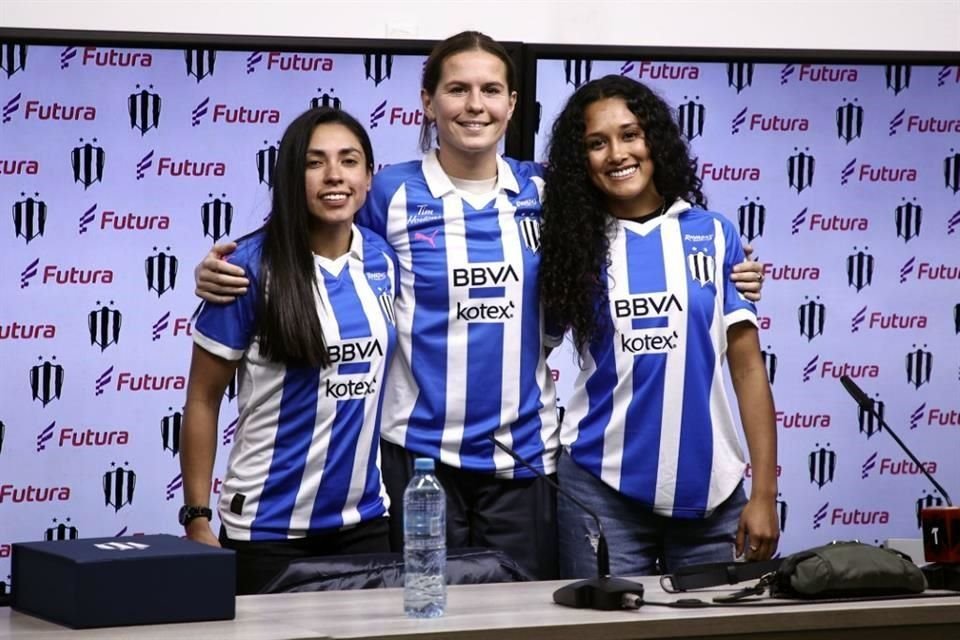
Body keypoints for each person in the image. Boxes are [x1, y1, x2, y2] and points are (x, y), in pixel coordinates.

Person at [192, 32, 767, 581]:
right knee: (423, 617)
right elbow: (313, 226)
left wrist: (732, 266)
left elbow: (640, 216)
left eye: (491, 90)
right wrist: (225, 264)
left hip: (522, 463)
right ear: (427, 101)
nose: (475, 105)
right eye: (457, 89)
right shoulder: (389, 192)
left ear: (512, 103)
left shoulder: (550, 193)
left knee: (520, 622)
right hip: (416, 462)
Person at [539, 75, 779, 579]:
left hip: (711, 491)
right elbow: (528, 349)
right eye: (596, 143)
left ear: (656, 142)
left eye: (630, 134)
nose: (616, 153)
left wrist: (763, 493)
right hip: (599, 486)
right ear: (580, 160)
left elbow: (748, 371)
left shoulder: (713, 234)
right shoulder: (572, 246)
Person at [179, 107, 397, 595]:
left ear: (367, 178)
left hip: (364, 524)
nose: (334, 175)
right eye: (315, 162)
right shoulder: (245, 269)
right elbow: (202, 399)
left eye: (349, 160)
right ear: (289, 177)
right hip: (266, 530)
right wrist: (196, 517)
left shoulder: (383, 259)